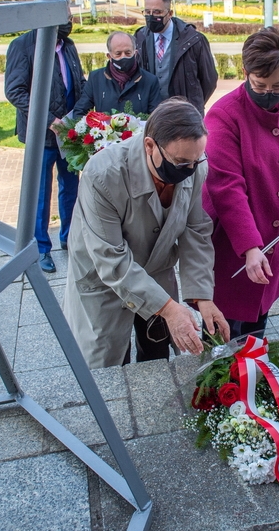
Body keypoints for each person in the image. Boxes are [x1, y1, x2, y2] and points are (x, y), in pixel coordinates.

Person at [64, 98, 229, 369]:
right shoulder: (103, 174)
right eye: (179, 162)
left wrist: (202, 297)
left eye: (195, 161)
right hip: (103, 282)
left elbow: (196, 230)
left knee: (157, 358)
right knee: (106, 367)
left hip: (155, 272)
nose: (188, 171)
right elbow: (111, 259)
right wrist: (168, 308)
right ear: (150, 145)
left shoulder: (194, 165)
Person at [202, 28, 279, 340]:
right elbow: (227, 187)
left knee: (257, 329)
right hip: (230, 248)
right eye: (260, 86)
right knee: (222, 340)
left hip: (274, 245)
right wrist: (249, 247)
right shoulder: (224, 115)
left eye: (278, 85)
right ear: (245, 74)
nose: (269, 93)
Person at [5, 21, 85, 273]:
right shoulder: (22, 46)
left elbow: (78, 81)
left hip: (70, 132)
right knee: (40, 194)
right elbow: (15, 91)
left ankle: (69, 238)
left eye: (70, 15)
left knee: (71, 188)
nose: (68, 22)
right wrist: (50, 120)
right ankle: (40, 248)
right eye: (64, 16)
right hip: (41, 135)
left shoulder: (68, 45)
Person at [134, 0, 217, 116]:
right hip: (152, 115)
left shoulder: (194, 40)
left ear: (170, 13)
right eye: (147, 11)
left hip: (186, 117)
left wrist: (193, 104)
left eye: (157, 12)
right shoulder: (140, 38)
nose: (151, 16)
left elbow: (209, 80)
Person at [71, 31, 162, 118]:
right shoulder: (95, 78)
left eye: (128, 53)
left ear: (135, 53)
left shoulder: (150, 81)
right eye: (118, 54)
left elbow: (157, 118)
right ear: (109, 56)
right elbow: (80, 111)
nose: (123, 57)